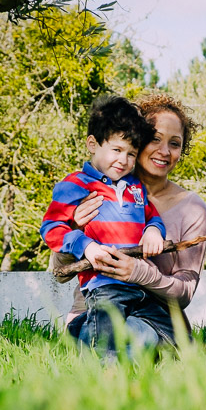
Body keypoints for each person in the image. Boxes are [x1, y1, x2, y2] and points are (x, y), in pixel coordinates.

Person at [53, 93, 206, 351]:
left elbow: (185, 293)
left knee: (136, 336)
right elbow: (59, 272)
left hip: (152, 317)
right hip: (95, 310)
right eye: (155, 139)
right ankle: (90, 346)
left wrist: (140, 273)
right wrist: (75, 227)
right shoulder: (92, 189)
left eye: (175, 143)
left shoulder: (191, 207)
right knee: (109, 336)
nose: (164, 151)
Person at [41, 95, 168, 355]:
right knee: (106, 330)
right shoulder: (76, 184)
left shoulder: (135, 187)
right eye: (117, 150)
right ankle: (103, 363)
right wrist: (87, 247)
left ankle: (92, 336)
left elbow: (152, 216)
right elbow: (51, 228)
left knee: (169, 330)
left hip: (137, 285)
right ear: (92, 144)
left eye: (131, 154)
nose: (123, 160)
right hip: (103, 283)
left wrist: (154, 230)